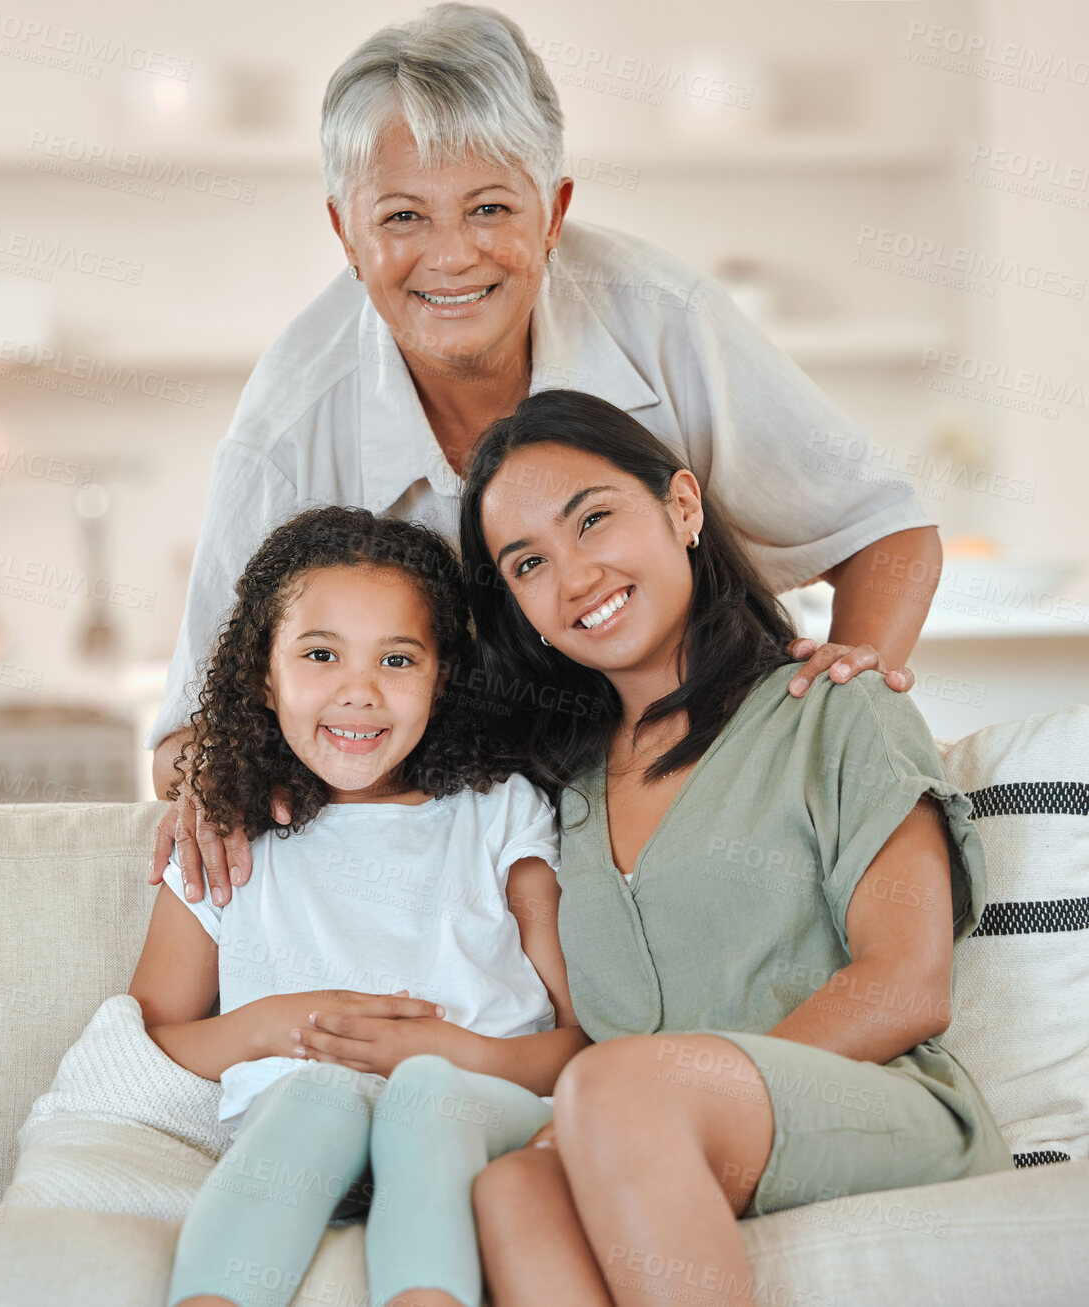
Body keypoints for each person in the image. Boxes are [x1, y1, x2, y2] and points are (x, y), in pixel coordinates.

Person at [146, 2, 944, 909]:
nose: (451, 258)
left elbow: (889, 533)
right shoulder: (286, 427)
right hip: (466, 859)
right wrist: (228, 789)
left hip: (701, 794)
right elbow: (186, 738)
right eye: (403, 217)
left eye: (490, 208)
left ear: (555, 208)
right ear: (345, 233)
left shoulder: (662, 317)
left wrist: (829, 736)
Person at [297, 387, 1008, 1307]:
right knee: (514, 1185)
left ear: (681, 506)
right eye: (528, 562)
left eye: (594, 519)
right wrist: (227, 788)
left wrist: (678, 1092)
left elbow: (908, 983)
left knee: (616, 1087)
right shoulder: (557, 789)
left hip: (873, 1104)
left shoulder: (837, 707)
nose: (576, 576)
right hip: (639, 1126)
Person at [128, 505, 586, 1307]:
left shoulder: (497, 811)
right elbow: (150, 1041)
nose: (359, 692)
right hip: (304, 1120)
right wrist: (275, 1023)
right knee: (315, 1094)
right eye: (319, 654)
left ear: (442, 676)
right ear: (264, 676)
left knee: (426, 1095)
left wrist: (449, 1052)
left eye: (398, 659)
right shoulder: (227, 831)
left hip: (475, 1103)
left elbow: (579, 1036)